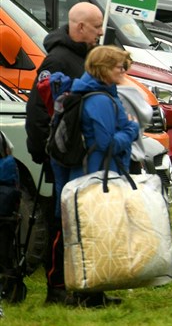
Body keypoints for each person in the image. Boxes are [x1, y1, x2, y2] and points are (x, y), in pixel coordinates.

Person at [25, 1, 106, 306]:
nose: (101, 31)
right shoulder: (57, 61)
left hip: (85, 157)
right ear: (80, 27)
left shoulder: (86, 57)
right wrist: (47, 151)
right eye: (96, 26)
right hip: (64, 159)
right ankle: (57, 290)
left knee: (89, 222)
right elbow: (37, 112)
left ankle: (91, 289)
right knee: (64, 223)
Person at [53, 45, 145, 308]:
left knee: (94, 233)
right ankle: (87, 295)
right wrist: (131, 128)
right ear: (104, 68)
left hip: (93, 172)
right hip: (96, 174)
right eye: (119, 66)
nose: (123, 70)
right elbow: (105, 143)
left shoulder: (97, 93)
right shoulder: (100, 100)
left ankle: (93, 292)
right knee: (93, 233)